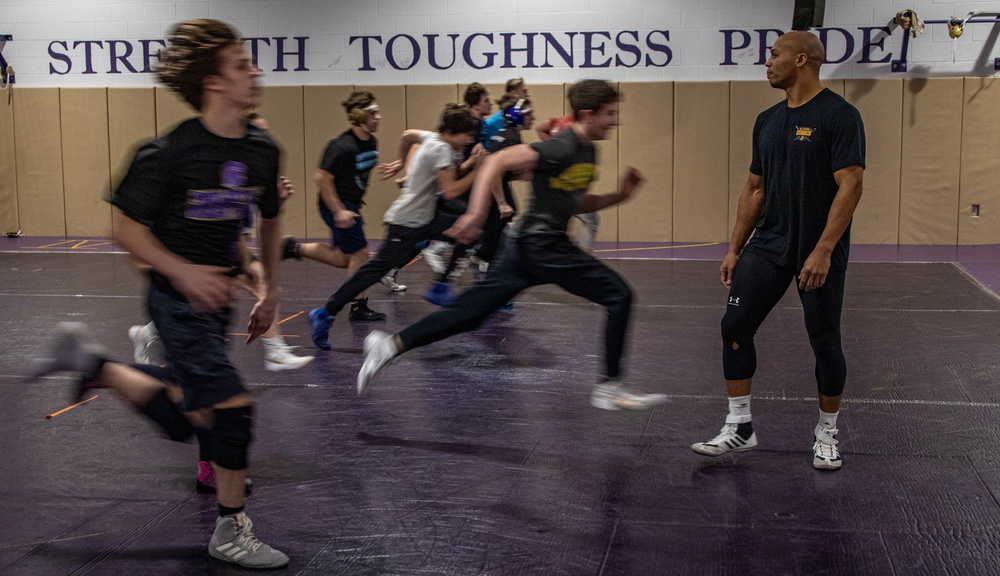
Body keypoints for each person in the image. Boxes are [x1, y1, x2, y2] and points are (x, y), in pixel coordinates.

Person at [29, 19, 289, 568]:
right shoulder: (167, 152)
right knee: (231, 412)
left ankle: (95, 363)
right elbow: (124, 229)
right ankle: (230, 531)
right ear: (214, 83)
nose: (256, 71)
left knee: (190, 418)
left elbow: (267, 217)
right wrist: (185, 272)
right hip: (175, 299)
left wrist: (267, 287)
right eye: (243, 64)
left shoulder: (263, 149)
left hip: (217, 299)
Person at [356, 80, 666, 411]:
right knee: (619, 295)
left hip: (524, 248)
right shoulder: (562, 146)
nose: (615, 120)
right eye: (610, 113)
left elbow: (573, 203)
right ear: (588, 114)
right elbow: (495, 162)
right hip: (542, 244)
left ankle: (390, 346)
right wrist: (476, 213)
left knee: (469, 313)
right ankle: (610, 386)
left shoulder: (589, 150)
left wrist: (619, 196)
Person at [690, 31, 865, 471]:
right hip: (769, 244)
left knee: (824, 341)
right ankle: (740, 427)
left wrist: (824, 249)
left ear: (801, 60)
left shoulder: (840, 116)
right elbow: (754, 188)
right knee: (734, 323)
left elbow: (852, 184)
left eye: (774, 55)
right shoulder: (767, 119)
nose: (766, 62)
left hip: (817, 249)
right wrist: (734, 248)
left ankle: (826, 433)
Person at [129, 113, 313, 375]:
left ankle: (145, 335)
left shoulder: (251, 172)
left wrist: (274, 202)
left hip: (224, 254)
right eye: (257, 132)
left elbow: (246, 223)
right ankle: (275, 351)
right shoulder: (201, 163)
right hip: (196, 260)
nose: (262, 140)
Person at [306, 104, 482, 350]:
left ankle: (441, 285)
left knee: (471, 228)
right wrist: (479, 170)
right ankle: (324, 313)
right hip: (407, 222)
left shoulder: (432, 136)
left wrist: (402, 162)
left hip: (423, 218)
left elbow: (407, 135)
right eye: (467, 135)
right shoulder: (442, 149)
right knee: (374, 270)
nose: (469, 140)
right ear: (452, 131)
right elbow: (451, 191)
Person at [283, 91, 402, 316]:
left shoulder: (371, 141)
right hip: (336, 205)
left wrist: (356, 195)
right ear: (358, 116)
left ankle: (293, 248)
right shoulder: (341, 146)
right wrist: (339, 211)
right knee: (360, 255)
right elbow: (323, 179)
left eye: (378, 112)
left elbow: (354, 173)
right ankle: (358, 306)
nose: (379, 117)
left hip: (350, 203)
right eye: (372, 113)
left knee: (344, 258)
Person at [537, 112, 599, 252]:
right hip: (564, 189)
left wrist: (548, 145)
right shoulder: (575, 129)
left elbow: (540, 128)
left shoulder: (559, 121)